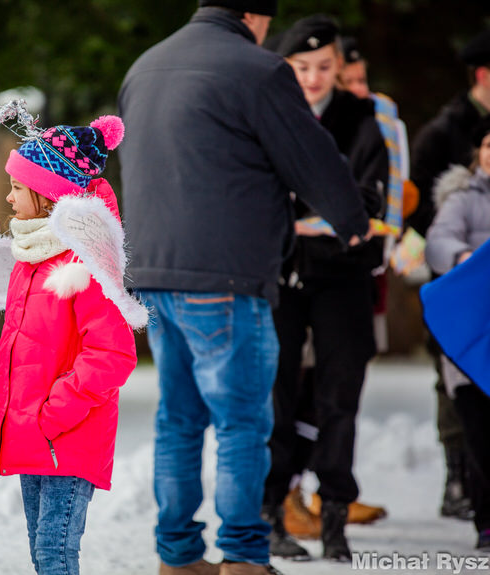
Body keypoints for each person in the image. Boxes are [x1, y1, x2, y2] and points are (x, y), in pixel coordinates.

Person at [118, 1, 371, 573]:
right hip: (225, 279)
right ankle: (242, 558)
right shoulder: (255, 68)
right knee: (242, 424)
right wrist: (353, 222)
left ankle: (177, 557)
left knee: (178, 421)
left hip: (153, 276)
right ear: (255, 16)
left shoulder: (146, 65)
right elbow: (313, 158)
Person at [0, 112, 140, 575]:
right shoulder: (30, 258)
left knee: (54, 555)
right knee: (42, 554)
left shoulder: (84, 264)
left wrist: (54, 414)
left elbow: (113, 354)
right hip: (37, 434)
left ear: (48, 191)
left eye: (17, 185)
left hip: (65, 439)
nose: (8, 195)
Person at [262, 15, 389, 562]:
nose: (312, 78)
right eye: (301, 67)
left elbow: (369, 201)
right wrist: (321, 211)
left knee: (341, 394)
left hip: (344, 274)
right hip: (284, 274)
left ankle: (335, 511)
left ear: (340, 68)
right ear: (286, 67)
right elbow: (266, 196)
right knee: (277, 395)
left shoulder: (362, 117)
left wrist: (305, 211)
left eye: (323, 67)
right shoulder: (270, 113)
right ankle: (272, 512)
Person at [408, 28, 490, 522]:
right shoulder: (444, 131)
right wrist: (458, 260)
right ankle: (459, 474)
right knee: (455, 376)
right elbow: (417, 206)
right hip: (460, 280)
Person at [425, 116, 490, 551]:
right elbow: (438, 241)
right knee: (482, 435)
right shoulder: (463, 199)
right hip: (474, 338)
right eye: (489, 145)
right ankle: (487, 519)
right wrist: (467, 258)